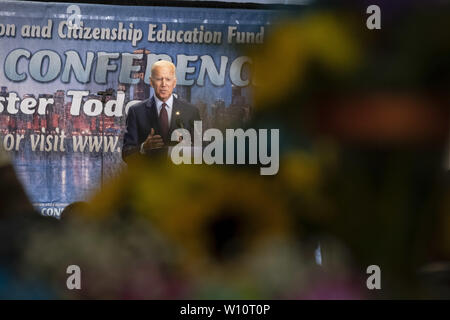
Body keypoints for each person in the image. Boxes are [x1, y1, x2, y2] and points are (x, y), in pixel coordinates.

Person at [122, 60, 200, 162]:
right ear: (151, 82)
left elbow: (201, 152)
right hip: (148, 176)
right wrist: (143, 148)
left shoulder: (191, 112)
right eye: (159, 79)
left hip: (180, 175)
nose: (164, 84)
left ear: (174, 82)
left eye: (168, 79)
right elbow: (126, 154)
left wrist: (187, 145)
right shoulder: (136, 112)